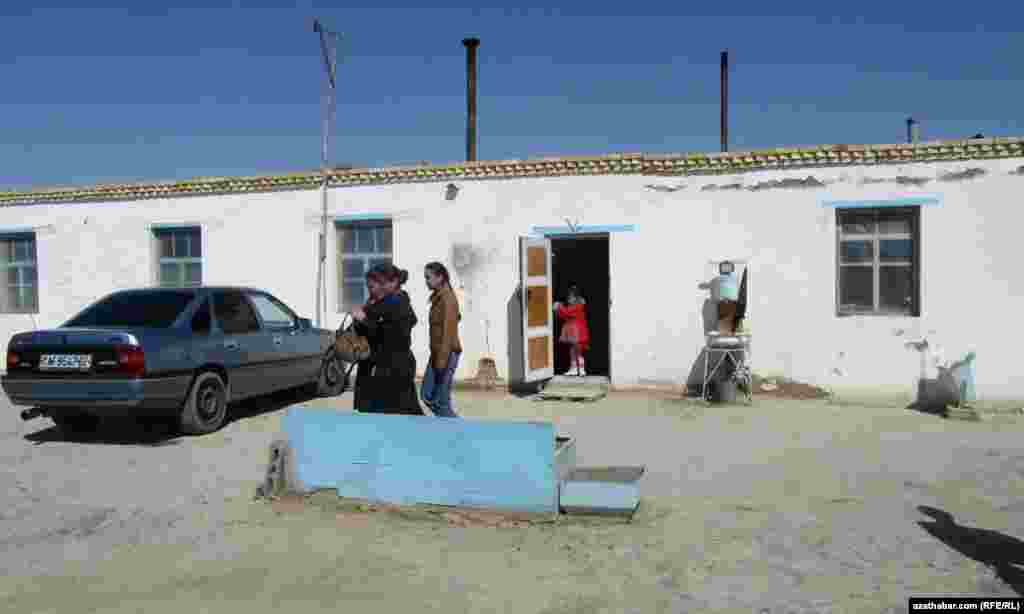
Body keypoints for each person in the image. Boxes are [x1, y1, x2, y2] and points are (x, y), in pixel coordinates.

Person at [350, 264, 424, 415]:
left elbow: (392, 336)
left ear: (391, 283)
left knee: (398, 413)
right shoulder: (378, 303)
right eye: (369, 286)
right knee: (384, 414)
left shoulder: (398, 304)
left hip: (391, 368)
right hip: (379, 366)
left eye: (374, 285)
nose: (372, 290)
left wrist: (364, 319)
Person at [421, 262, 463, 418]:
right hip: (437, 353)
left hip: (446, 353)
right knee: (427, 394)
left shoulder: (448, 300)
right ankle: (447, 425)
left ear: (440, 277)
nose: (426, 281)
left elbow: (448, 333)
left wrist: (441, 361)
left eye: (428, 277)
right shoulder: (438, 298)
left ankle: (454, 431)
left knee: (440, 401)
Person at [554, 283, 590, 376]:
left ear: (576, 297)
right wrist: (558, 310)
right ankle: (574, 368)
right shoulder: (573, 305)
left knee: (578, 350)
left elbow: (568, 312)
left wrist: (559, 307)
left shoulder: (579, 306)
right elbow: (564, 315)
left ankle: (581, 369)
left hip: (578, 332)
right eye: (568, 297)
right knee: (572, 351)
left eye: (570, 297)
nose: (568, 299)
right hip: (572, 331)